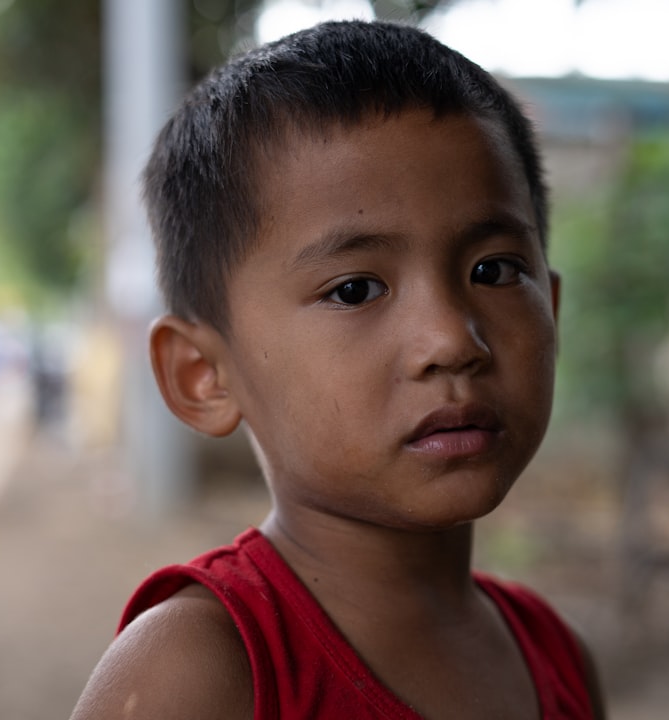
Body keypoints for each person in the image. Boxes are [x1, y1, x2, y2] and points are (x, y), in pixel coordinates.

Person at [71, 20, 605, 720]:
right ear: (203, 374)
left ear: (552, 311)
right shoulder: (201, 671)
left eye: (494, 271)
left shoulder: (557, 656)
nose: (451, 339)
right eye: (355, 289)